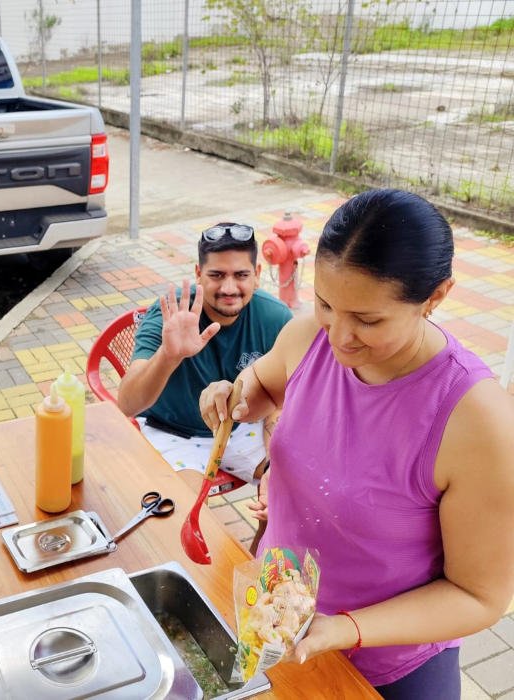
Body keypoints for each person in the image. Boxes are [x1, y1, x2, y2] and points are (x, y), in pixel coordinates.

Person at [201, 189, 514, 698]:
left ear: (436, 297)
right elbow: (261, 386)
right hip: (279, 619)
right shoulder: (309, 336)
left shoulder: (476, 420)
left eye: (368, 320)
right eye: (326, 303)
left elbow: (479, 596)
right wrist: (229, 396)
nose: (339, 337)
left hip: (393, 667)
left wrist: (342, 627)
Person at [117, 222, 293, 489]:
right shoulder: (172, 313)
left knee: (288, 491)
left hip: (241, 427)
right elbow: (127, 404)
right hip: (174, 431)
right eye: (217, 275)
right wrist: (168, 355)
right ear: (199, 274)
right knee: (183, 512)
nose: (229, 288)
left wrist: (274, 464)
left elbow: (280, 401)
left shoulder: (275, 317)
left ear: (257, 274)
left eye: (241, 275)